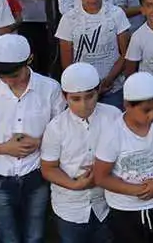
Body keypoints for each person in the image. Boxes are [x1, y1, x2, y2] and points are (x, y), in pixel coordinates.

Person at [0, 33, 64, 243]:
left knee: (35, 235)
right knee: (8, 236)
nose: (8, 81)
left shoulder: (49, 89)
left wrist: (40, 142)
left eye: (13, 75)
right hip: (0, 178)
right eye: (2, 76)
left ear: (29, 60)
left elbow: (62, 132)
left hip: (36, 174)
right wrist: (4, 148)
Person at [92, 71, 153, 243]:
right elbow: (101, 177)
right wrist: (137, 190)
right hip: (124, 208)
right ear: (127, 105)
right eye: (146, 110)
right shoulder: (113, 134)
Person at [41, 62, 122, 243]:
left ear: (99, 90)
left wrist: (103, 169)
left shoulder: (114, 116)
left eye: (89, 97)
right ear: (65, 96)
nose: (84, 105)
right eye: (75, 99)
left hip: (106, 203)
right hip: (70, 207)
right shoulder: (56, 128)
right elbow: (48, 168)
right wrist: (74, 185)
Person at [56, 0, 131, 106]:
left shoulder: (116, 14)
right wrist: (83, 86)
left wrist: (109, 79)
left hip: (112, 86)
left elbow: (125, 53)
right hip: (82, 89)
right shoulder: (69, 19)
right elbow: (67, 62)